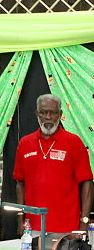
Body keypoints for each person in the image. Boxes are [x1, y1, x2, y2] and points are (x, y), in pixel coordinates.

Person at [13, 94, 92, 233]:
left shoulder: (74, 142)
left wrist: (84, 222)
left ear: (60, 114)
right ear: (36, 114)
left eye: (53, 113)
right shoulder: (25, 143)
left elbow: (87, 183)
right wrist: (20, 220)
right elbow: (20, 184)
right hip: (33, 227)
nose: (48, 117)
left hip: (68, 228)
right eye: (43, 112)